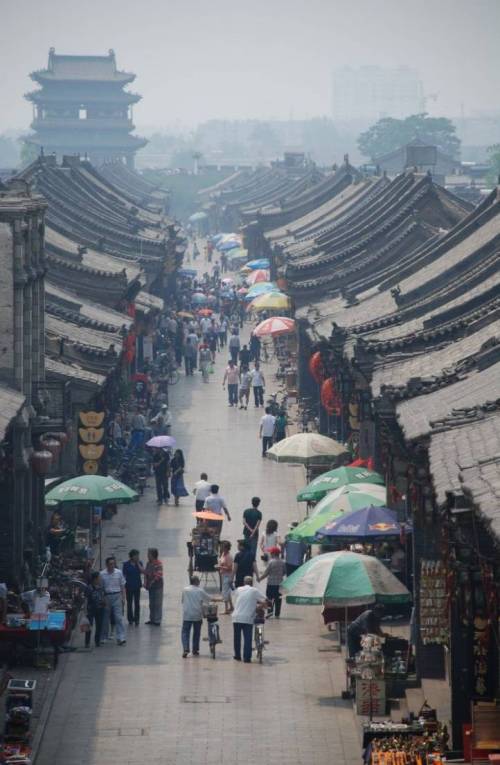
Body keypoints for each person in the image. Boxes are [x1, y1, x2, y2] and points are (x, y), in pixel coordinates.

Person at [232, 576, 268, 663]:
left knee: (237, 638)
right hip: (247, 618)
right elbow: (265, 600)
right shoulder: (254, 590)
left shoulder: (238, 589)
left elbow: (234, 599)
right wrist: (261, 606)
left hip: (236, 617)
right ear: (252, 583)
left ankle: (237, 656)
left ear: (244, 583)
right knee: (247, 638)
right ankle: (247, 658)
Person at [181, 576, 211, 658]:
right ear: (197, 582)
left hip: (187, 614)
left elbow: (182, 601)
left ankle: (186, 648)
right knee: (196, 633)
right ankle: (195, 649)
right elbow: (208, 599)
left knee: (185, 632)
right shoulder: (200, 590)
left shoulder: (185, 590)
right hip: (197, 615)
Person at [100, 556, 127, 645]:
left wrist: (123, 598)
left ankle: (121, 637)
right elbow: (101, 588)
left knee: (118, 618)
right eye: (110, 564)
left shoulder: (119, 573)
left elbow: (122, 586)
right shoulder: (102, 574)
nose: (112, 565)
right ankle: (104, 636)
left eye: (113, 563)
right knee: (105, 618)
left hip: (117, 596)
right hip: (107, 596)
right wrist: (103, 598)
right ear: (107, 565)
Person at [258, 547, 286, 618]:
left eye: (271, 552)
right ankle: (277, 614)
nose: (270, 553)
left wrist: (260, 579)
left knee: (269, 598)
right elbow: (284, 572)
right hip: (280, 584)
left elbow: (266, 573)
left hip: (271, 584)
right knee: (278, 600)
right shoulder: (282, 562)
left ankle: (270, 612)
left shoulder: (271, 562)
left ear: (273, 553)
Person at [122, 549, 144, 626]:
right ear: (132, 556)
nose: (137, 557)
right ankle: (130, 619)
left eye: (138, 555)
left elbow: (142, 571)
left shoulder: (140, 563)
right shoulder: (126, 564)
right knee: (129, 603)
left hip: (137, 586)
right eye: (136, 555)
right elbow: (124, 576)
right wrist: (123, 586)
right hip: (129, 586)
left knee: (137, 603)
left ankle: (137, 619)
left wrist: (138, 563)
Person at [85, 571, 107, 647]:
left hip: (100, 608)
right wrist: (86, 610)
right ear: (95, 579)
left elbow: (103, 595)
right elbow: (86, 599)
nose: (100, 579)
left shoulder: (101, 587)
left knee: (99, 625)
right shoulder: (89, 588)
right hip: (91, 609)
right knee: (89, 625)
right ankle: (87, 642)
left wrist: (104, 602)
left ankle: (97, 641)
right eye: (99, 578)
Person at [144, 548, 163, 626]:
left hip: (158, 586)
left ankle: (157, 620)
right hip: (150, 587)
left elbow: (159, 574)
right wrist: (146, 583)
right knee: (151, 604)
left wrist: (152, 582)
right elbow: (146, 573)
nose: (147, 555)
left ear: (152, 555)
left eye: (149, 554)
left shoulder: (158, 563)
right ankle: (152, 619)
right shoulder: (148, 563)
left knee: (157, 603)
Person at [218, 541, 234, 614]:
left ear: (226, 548)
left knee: (225, 592)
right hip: (223, 575)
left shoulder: (229, 556)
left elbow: (230, 568)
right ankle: (231, 606)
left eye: (223, 547)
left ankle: (226, 609)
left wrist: (220, 567)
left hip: (227, 575)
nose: (221, 548)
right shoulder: (223, 554)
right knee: (227, 592)